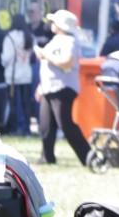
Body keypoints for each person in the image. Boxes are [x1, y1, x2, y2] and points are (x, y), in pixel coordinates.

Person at [34, 9, 91, 165]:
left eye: (54, 22)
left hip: (63, 87)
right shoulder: (56, 40)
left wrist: (45, 55)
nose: (51, 24)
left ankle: (88, 156)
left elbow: (67, 62)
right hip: (48, 87)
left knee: (65, 124)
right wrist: (41, 85)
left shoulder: (71, 41)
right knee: (46, 124)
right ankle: (47, 157)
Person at [0, 13, 34, 135]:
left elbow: (6, 58)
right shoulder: (29, 37)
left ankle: (14, 129)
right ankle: (27, 129)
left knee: (13, 103)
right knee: (26, 104)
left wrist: (3, 62)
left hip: (12, 76)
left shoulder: (9, 38)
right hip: (26, 75)